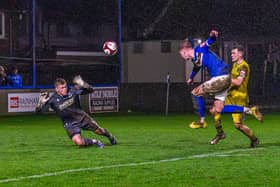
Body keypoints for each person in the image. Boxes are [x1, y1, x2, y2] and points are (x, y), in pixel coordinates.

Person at [179, 30, 263, 146]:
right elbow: (197, 66)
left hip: (225, 83)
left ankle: (202, 120)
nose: (231, 55)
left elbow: (209, 42)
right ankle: (226, 129)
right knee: (216, 110)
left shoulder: (200, 49)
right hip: (226, 86)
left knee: (195, 93)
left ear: (184, 51)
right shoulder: (196, 58)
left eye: (234, 53)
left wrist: (212, 36)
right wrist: (191, 77)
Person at [36, 76, 117, 148]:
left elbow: (91, 90)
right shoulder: (52, 100)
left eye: (65, 87)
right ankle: (95, 142)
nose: (65, 89)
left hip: (81, 117)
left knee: (100, 131)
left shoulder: (72, 90)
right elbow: (38, 112)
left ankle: (110, 136)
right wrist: (40, 104)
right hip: (69, 123)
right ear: (56, 89)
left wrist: (83, 83)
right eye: (62, 88)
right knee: (79, 143)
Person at [224, 45, 259, 147]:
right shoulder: (235, 65)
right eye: (231, 53)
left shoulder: (243, 66)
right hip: (232, 96)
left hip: (239, 97)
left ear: (240, 54)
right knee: (217, 108)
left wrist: (226, 79)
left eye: (234, 53)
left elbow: (239, 82)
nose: (231, 55)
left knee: (238, 125)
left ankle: (254, 139)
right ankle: (250, 111)